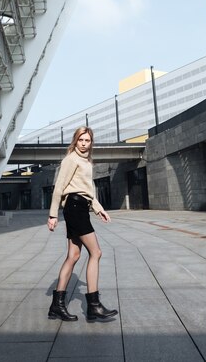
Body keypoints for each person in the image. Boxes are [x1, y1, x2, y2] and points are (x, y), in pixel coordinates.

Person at [47, 126, 118, 322]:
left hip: (80, 205)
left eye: (87, 140)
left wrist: (98, 208)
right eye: (81, 140)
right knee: (96, 253)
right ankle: (94, 306)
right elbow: (59, 187)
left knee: (74, 255)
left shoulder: (86, 161)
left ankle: (56, 306)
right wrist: (53, 214)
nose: (84, 144)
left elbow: (88, 191)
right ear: (75, 141)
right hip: (75, 207)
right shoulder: (71, 159)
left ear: (91, 142)